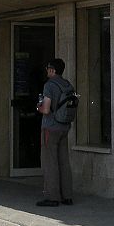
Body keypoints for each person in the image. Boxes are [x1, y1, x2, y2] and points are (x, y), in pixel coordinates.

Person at [36, 58, 75, 207]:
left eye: (48, 68)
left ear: (52, 70)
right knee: (64, 160)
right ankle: (67, 195)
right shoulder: (67, 85)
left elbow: (46, 109)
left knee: (50, 161)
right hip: (64, 126)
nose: (46, 71)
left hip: (50, 127)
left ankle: (52, 196)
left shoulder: (49, 85)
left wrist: (37, 108)